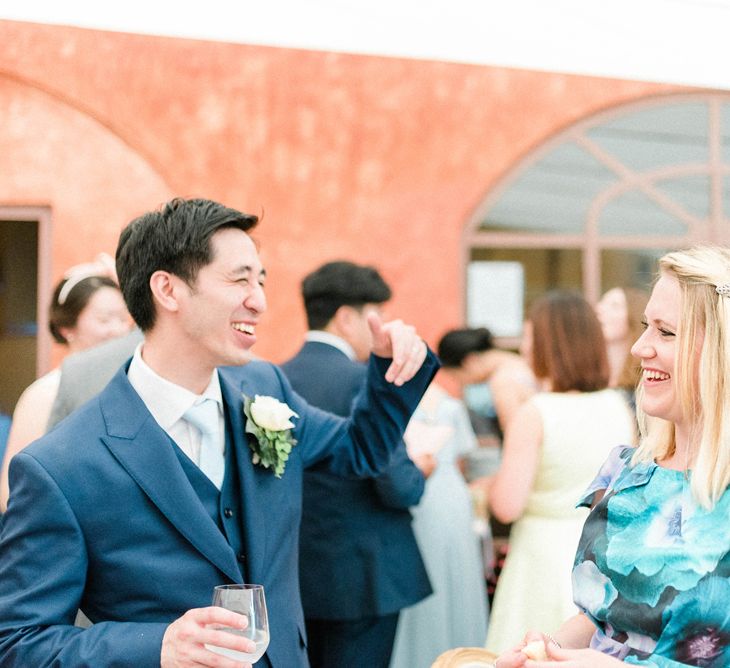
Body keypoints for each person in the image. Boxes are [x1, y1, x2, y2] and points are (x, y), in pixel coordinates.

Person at [0, 197, 439, 668]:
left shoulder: (266, 388)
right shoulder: (62, 466)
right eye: (240, 279)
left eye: (261, 280)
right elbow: (19, 639)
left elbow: (361, 450)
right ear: (168, 290)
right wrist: (158, 646)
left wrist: (393, 373)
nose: (260, 300)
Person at [496, 247, 730, 667]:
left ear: (719, 349)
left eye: (666, 332)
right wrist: (547, 650)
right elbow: (600, 619)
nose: (641, 348)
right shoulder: (629, 471)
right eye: (646, 327)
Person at [280, 260, 432, 668]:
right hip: (365, 577)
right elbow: (399, 486)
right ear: (346, 318)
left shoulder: (272, 380)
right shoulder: (363, 382)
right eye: (376, 314)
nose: (381, 325)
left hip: (293, 574)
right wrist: (420, 471)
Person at [484, 291, 635, 656]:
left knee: (530, 653)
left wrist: (488, 485)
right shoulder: (617, 406)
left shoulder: (535, 412)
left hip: (538, 556)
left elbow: (507, 506)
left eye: (529, 336)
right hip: (598, 552)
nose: (523, 347)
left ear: (546, 345)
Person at [0, 263, 131, 512]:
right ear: (66, 327)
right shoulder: (45, 393)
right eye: (104, 319)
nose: (118, 330)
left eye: (124, 319)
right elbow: (10, 490)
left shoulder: (131, 386)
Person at [389, 382, 489, 668]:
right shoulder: (451, 404)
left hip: (427, 485)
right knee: (442, 571)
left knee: (445, 570)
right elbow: (463, 459)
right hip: (440, 489)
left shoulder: (410, 403)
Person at [437, 327, 537, 437]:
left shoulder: (502, 381)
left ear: (470, 361)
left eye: (456, 376)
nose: (462, 383)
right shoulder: (520, 364)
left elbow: (516, 437)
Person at [596, 286, 649, 407]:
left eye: (614, 305)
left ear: (634, 316)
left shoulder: (644, 386)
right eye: (601, 303)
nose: (600, 309)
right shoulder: (588, 380)